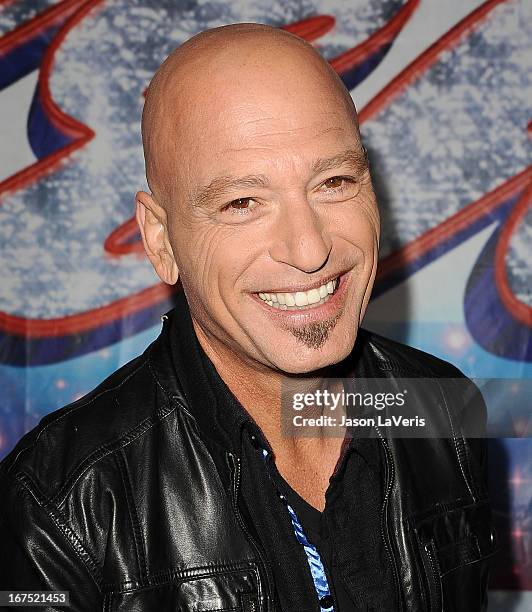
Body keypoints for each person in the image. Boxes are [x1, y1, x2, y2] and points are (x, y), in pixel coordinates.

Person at [0, 23, 496, 611]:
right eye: (242, 203)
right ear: (161, 239)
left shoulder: (440, 407)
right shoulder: (60, 506)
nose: (309, 249)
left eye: (334, 182)